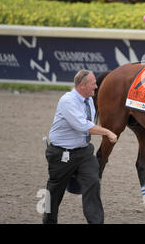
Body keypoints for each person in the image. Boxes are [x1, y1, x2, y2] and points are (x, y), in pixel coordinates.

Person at [43, 70, 118, 224]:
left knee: (93, 182)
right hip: (61, 154)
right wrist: (107, 132)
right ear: (82, 86)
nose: (96, 87)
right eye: (93, 84)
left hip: (83, 153)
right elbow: (82, 125)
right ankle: (49, 221)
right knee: (54, 192)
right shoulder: (67, 101)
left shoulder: (88, 99)